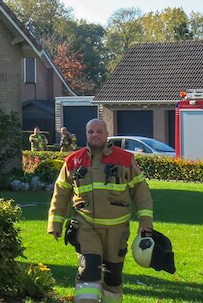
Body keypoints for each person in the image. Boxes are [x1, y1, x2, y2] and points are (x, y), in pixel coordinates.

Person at [47, 118, 154, 303]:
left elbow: (141, 193)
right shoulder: (73, 161)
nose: (94, 135)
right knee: (89, 269)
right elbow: (61, 193)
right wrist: (55, 223)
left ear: (106, 134)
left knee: (113, 275)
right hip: (85, 227)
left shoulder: (125, 159)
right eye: (91, 132)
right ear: (86, 134)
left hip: (117, 230)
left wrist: (146, 224)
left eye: (98, 131)